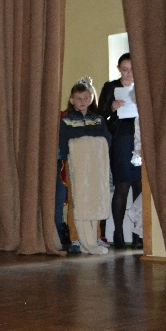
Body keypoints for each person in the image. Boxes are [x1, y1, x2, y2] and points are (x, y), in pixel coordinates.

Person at [59, 78, 112, 254]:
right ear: (72, 100)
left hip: (95, 167)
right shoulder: (66, 121)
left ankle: (95, 237)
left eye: (86, 98)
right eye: (78, 98)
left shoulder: (98, 120)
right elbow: (63, 143)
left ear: (91, 99)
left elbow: (106, 140)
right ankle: (75, 238)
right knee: (76, 200)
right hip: (75, 166)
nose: (82, 101)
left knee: (95, 199)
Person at [98, 53, 142, 249]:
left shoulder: (142, 85)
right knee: (122, 185)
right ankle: (118, 232)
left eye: (132, 69)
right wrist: (112, 107)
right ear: (119, 69)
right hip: (120, 138)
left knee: (140, 186)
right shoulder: (111, 86)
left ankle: (139, 233)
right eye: (125, 70)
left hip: (140, 137)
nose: (129, 73)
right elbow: (100, 113)